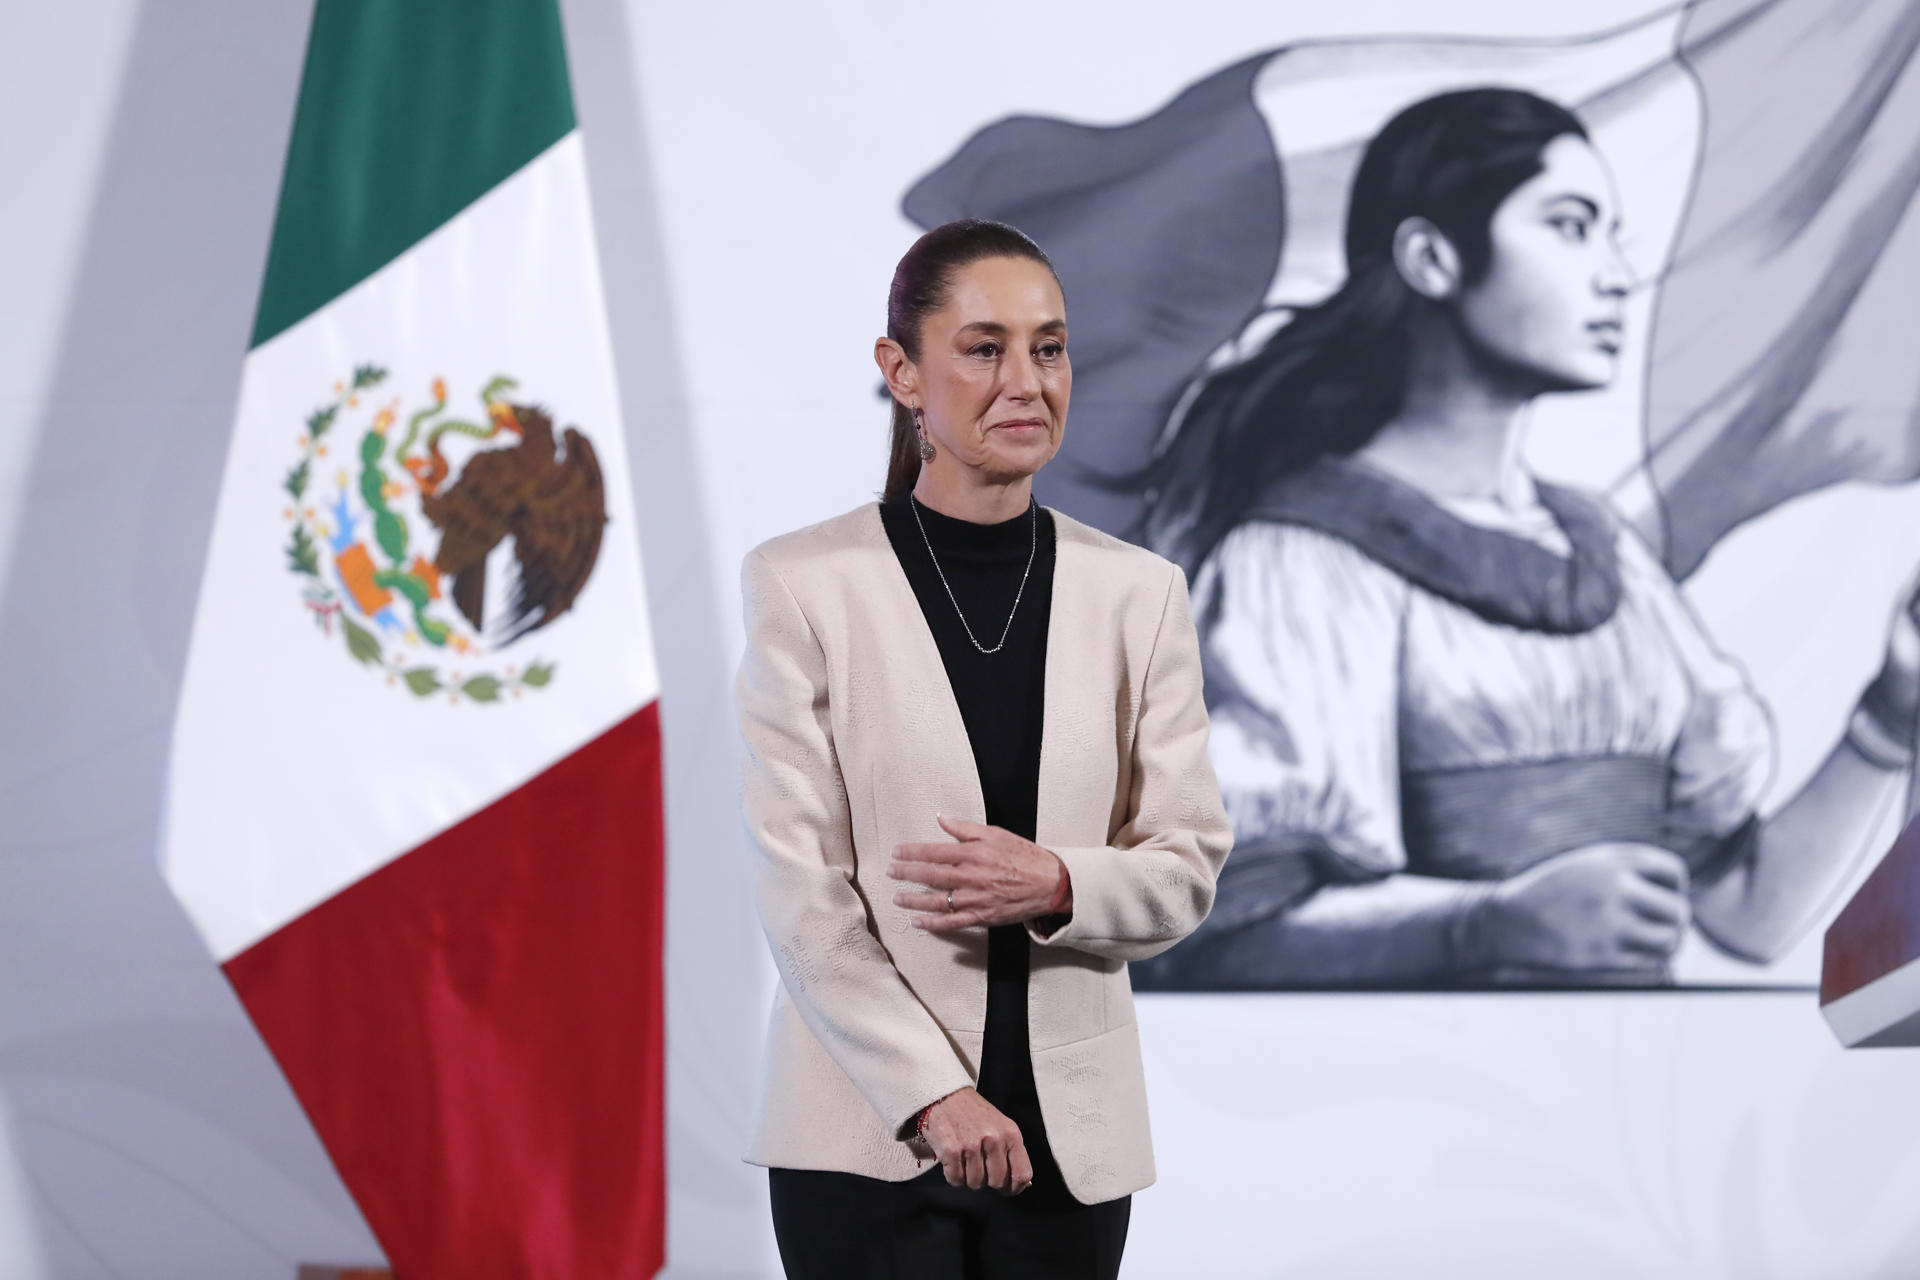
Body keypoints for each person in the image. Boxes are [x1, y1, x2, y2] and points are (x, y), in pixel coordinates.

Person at [1122, 88, 1920, 990]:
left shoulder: (1606, 553)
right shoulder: (1300, 561)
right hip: (1413, 1100)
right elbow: (1224, 934)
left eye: (1611, 232)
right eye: (1572, 226)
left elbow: (1747, 913)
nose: (1617, 273)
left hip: (1622, 1106)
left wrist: (1891, 716)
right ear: (1432, 258)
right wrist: (1486, 925)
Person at [736, 218, 1232, 1277]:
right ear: (901, 372)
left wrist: (1058, 880)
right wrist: (934, 1092)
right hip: (866, 1142)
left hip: (1071, 1153)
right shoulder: (803, 582)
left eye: (1049, 348)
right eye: (984, 346)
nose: (1026, 380)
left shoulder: (1139, 594)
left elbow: (1187, 866)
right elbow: (802, 896)